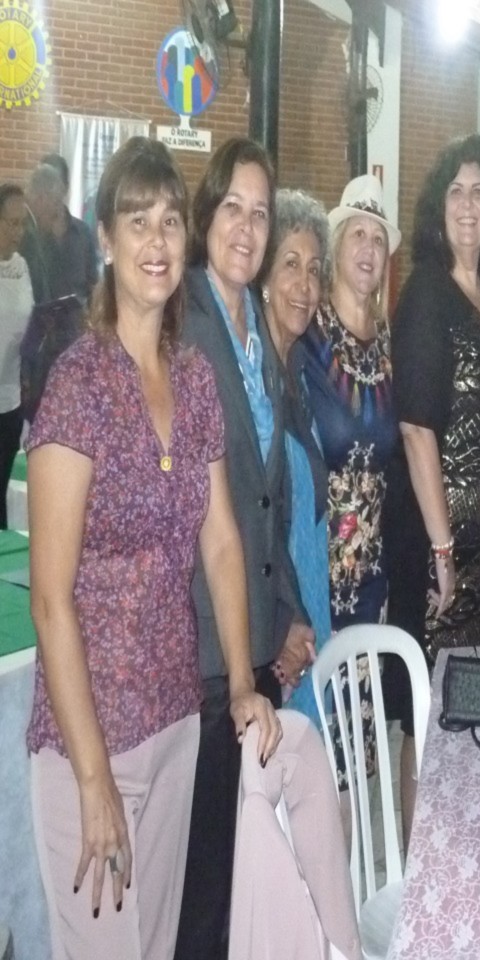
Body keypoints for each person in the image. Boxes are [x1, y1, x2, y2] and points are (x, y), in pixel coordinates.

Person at [25, 136, 280, 960]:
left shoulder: (195, 377)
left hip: (176, 723)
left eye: (171, 220)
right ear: (104, 237)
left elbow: (222, 541)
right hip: (88, 737)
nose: (158, 241)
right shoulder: (78, 384)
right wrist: (92, 778)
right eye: (137, 222)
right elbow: (49, 599)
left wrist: (239, 683)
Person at [175, 137, 312, 960]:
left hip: (257, 637)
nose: (247, 228)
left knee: (241, 858)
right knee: (203, 875)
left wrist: (290, 611)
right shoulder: (183, 322)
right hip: (201, 648)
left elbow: (273, 496)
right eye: (233, 207)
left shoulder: (256, 328)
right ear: (206, 215)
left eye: (260, 213)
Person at [385, 132, 480, 836]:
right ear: (438, 209)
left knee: (467, 704)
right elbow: (417, 430)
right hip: (439, 553)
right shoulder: (426, 294)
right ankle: (421, 868)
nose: (468, 205)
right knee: (427, 714)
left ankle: (457, 845)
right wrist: (443, 551)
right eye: (456, 192)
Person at [293, 174, 399, 791]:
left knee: (356, 752)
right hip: (314, 569)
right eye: (357, 234)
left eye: (378, 239)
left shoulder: (387, 343)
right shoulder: (306, 336)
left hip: (371, 575)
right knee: (313, 748)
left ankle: (351, 855)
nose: (368, 248)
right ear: (336, 247)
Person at [259, 189, 330, 728]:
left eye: (314, 270)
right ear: (263, 275)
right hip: (278, 625)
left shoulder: (300, 370)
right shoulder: (252, 379)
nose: (304, 286)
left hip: (309, 606)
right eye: (290, 264)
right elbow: (250, 520)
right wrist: (283, 624)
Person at [0, 182, 33, 528]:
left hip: (10, 399)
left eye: (21, 224)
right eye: (11, 223)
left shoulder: (22, 267)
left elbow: (30, 318)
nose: (18, 232)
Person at [22, 159, 98, 305]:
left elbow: (93, 284)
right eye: (56, 202)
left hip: (76, 316)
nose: (58, 210)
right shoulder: (24, 235)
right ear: (41, 198)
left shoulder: (82, 233)